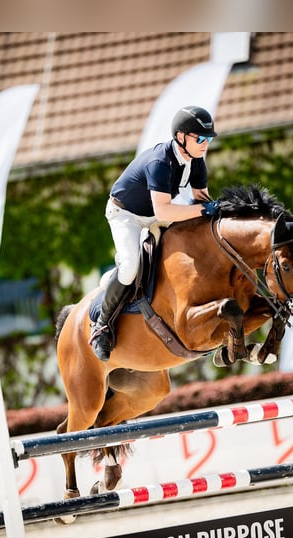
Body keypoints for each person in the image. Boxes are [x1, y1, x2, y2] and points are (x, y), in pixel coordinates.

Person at [89, 105, 221, 361]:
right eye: (200, 139)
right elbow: (165, 212)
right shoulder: (160, 161)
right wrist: (204, 210)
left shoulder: (196, 162)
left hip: (155, 213)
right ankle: (102, 325)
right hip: (126, 215)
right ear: (181, 137)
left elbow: (202, 202)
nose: (205, 144)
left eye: (208, 139)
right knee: (130, 268)